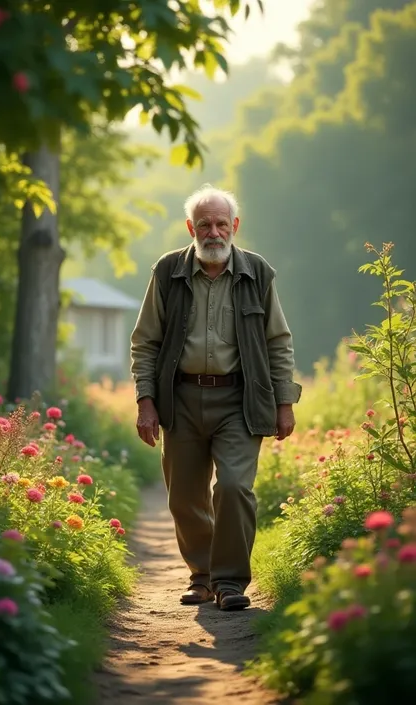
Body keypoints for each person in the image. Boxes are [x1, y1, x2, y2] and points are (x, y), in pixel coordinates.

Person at [130, 184, 301, 611]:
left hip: (240, 402)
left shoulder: (258, 273)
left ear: (234, 226)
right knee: (184, 496)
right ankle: (202, 576)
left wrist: (285, 403)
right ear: (191, 227)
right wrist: (146, 401)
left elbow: (278, 341)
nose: (213, 231)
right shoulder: (167, 272)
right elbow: (145, 342)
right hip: (181, 399)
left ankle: (229, 583)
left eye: (221, 223)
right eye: (204, 224)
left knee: (233, 488)